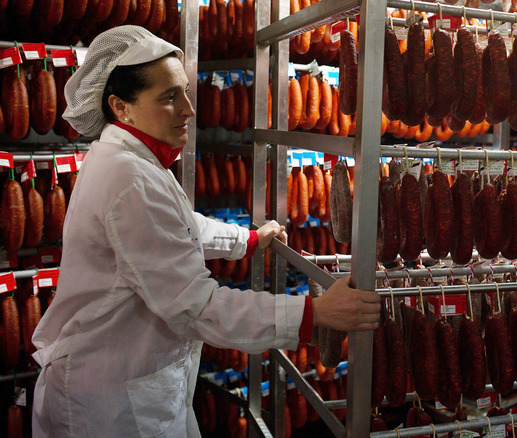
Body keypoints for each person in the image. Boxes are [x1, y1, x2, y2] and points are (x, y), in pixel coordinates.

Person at [30, 25, 380, 438]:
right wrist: (313, 313)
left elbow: (177, 227)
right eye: (169, 97)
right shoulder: (127, 177)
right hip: (110, 404)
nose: (188, 110)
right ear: (120, 106)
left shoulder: (124, 157)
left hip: (127, 385)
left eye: (184, 92)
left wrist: (246, 240)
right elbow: (196, 306)